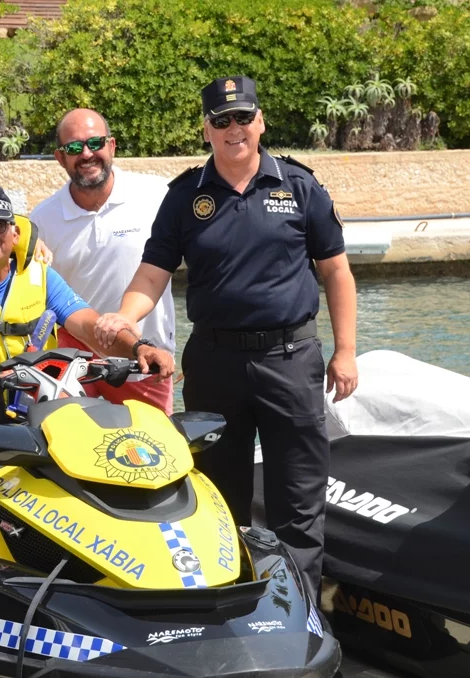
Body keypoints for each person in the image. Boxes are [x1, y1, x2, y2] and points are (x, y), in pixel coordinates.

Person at [94, 76, 358, 601]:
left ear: (260, 122)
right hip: (215, 364)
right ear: (207, 130)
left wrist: (346, 351)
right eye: (221, 121)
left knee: (298, 502)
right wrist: (126, 317)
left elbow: (336, 272)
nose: (234, 129)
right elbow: (153, 273)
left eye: (243, 118)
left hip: (291, 358)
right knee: (217, 496)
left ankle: (300, 611)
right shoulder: (185, 196)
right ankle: (232, 607)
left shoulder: (300, 187)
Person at [0, 183, 176, 554]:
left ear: (15, 233)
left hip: (35, 427)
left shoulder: (43, 279)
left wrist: (140, 348)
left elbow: (91, 327)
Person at [29, 108, 177, 414]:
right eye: (73, 148)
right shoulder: (42, 220)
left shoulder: (157, 195)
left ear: (112, 145)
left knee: (153, 454)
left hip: (144, 358)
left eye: (95, 143)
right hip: (72, 366)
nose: (86, 154)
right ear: (59, 157)